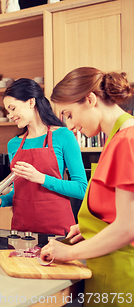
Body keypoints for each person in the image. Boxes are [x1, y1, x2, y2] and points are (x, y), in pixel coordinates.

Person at [41, 67, 134, 305]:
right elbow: (118, 212)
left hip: (122, 274)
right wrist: (92, 228)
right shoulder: (116, 138)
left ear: (91, 99)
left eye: (69, 114)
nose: (69, 126)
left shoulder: (127, 139)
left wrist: (68, 253)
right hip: (108, 266)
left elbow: (128, 227)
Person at [0, 78, 87, 236]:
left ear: (31, 102)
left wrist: (41, 178)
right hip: (22, 229)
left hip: (57, 230)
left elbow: (82, 189)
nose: (10, 115)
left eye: (12, 108)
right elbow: (21, 191)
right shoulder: (14, 144)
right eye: (7, 111)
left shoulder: (63, 135)